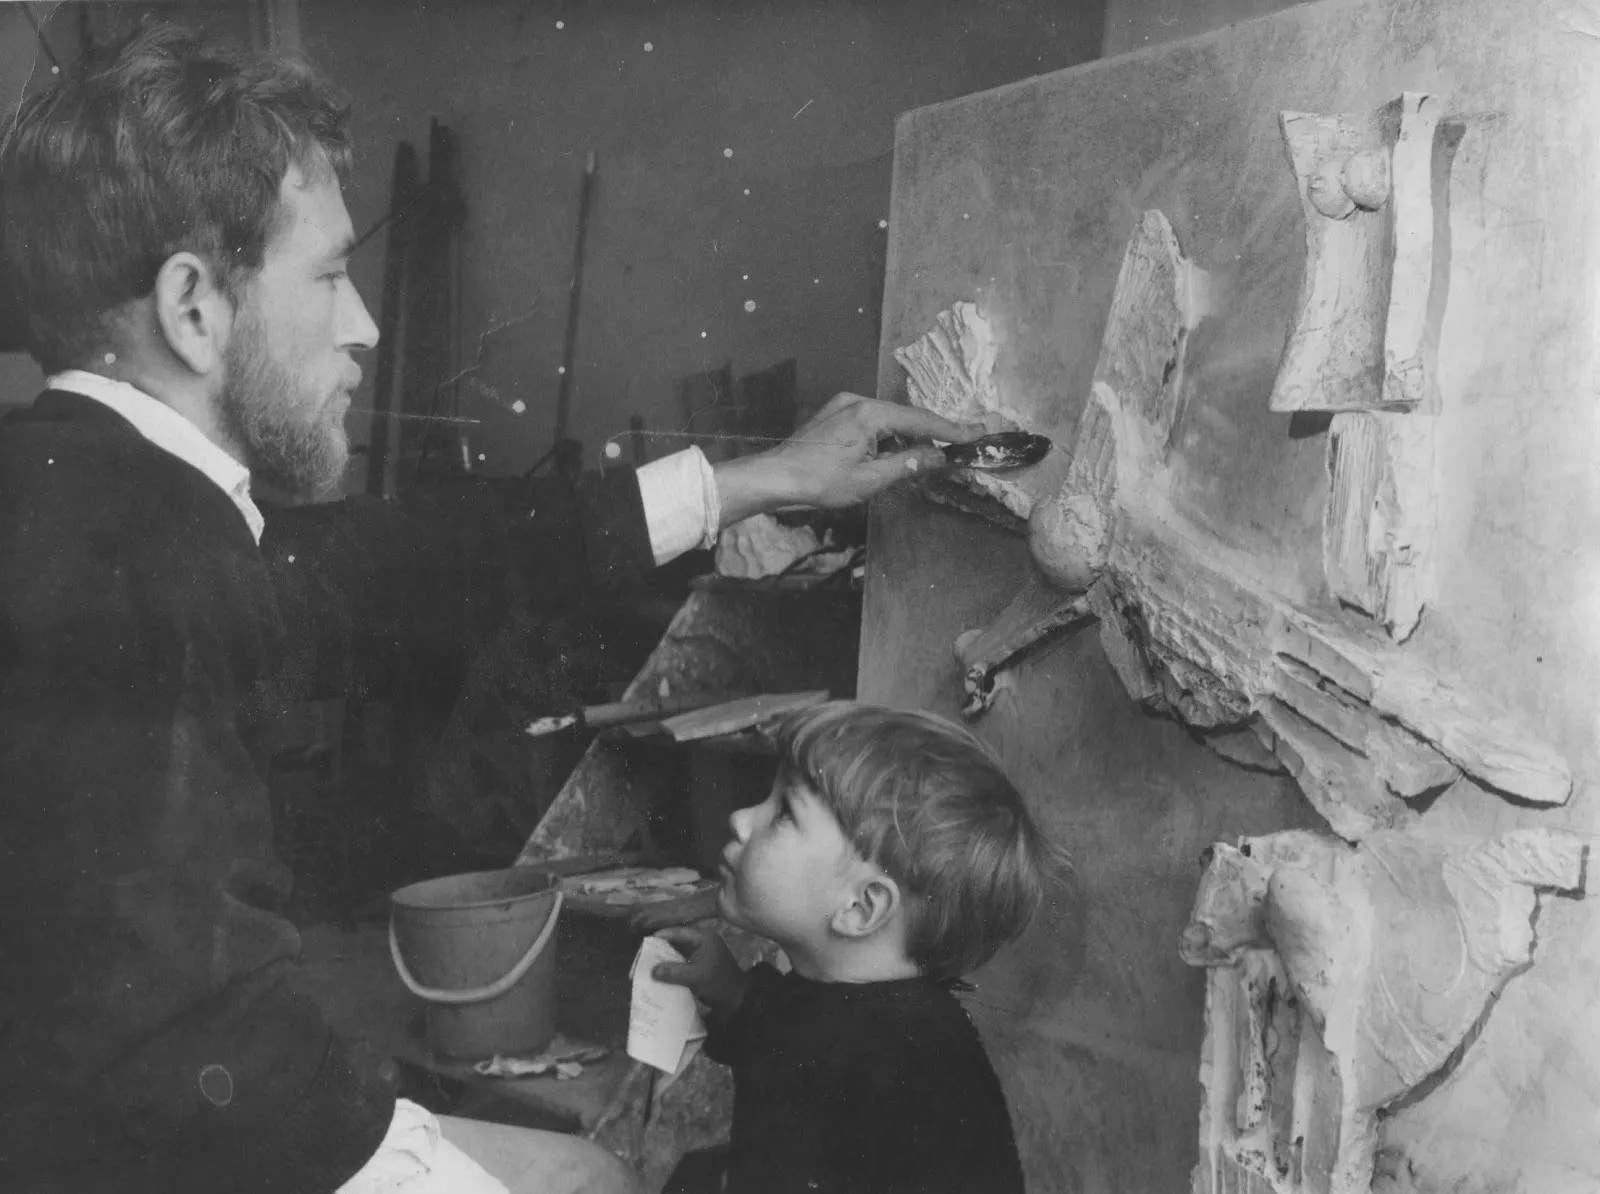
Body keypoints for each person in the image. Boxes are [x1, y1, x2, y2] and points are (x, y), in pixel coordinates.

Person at [0, 26, 986, 1194]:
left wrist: (749, 482)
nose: (364, 323)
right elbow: (174, 1044)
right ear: (193, 307)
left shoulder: (93, 490)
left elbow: (412, 559)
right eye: (326, 276)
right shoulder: (125, 550)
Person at [654, 701, 1058, 1194]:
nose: (741, 819)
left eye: (783, 812)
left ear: (861, 908)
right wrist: (731, 989)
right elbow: (783, 1030)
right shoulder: (847, 999)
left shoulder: (898, 1057)